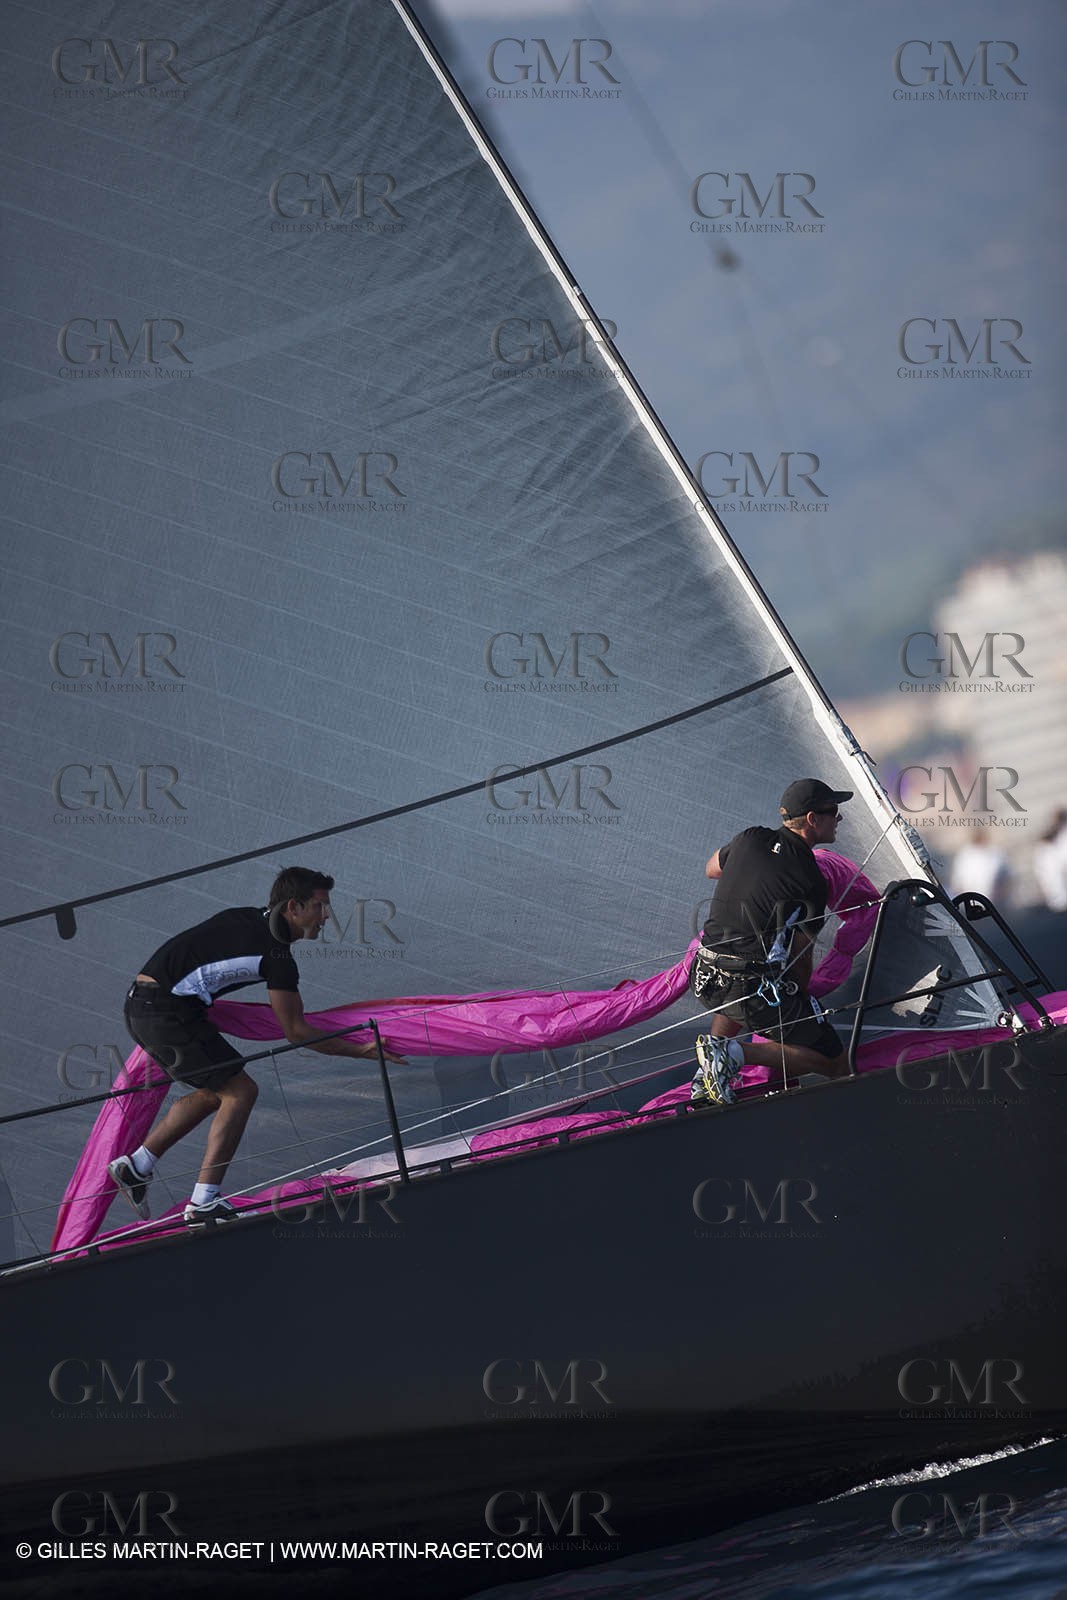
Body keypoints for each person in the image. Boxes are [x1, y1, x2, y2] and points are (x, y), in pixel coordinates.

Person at [108, 866, 405, 1228]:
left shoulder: (246, 917)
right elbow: (296, 1031)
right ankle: (203, 1204)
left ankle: (137, 1167)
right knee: (241, 1091)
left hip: (146, 1006)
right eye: (319, 906)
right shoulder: (277, 958)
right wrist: (362, 1050)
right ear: (293, 907)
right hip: (164, 1011)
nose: (326, 916)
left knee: (214, 1091)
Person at [688, 779, 853, 1105]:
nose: (840, 819)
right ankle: (734, 1054)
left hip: (703, 975)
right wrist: (801, 1007)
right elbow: (801, 958)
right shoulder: (810, 879)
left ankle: (708, 1073)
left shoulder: (750, 837)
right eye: (834, 811)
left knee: (741, 989)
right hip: (747, 988)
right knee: (837, 1063)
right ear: (812, 819)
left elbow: (711, 869)